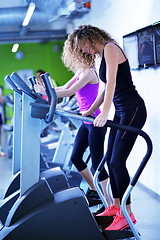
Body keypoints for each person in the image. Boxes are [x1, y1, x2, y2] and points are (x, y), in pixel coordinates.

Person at [65, 24, 147, 231]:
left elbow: (111, 83)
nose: (84, 50)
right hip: (121, 111)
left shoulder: (110, 48)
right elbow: (104, 90)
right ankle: (116, 207)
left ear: (91, 38)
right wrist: (92, 109)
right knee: (109, 161)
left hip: (132, 109)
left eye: (83, 45)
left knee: (118, 162)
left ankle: (127, 215)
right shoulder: (103, 55)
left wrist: (104, 113)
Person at [34, 42, 110, 205]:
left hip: (95, 122)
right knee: (76, 157)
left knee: (98, 164)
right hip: (86, 122)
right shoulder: (80, 71)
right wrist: (46, 91)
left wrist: (45, 91)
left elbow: (69, 92)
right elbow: (64, 87)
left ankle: (109, 202)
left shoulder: (89, 73)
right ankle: (96, 191)